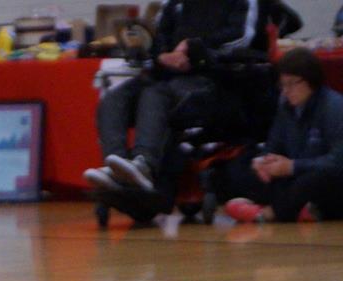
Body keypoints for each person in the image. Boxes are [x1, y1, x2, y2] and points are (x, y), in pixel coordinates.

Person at [83, 0, 258, 194]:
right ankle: (117, 165)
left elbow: (241, 37)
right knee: (113, 98)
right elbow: (160, 35)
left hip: (211, 75)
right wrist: (161, 55)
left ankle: (145, 163)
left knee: (155, 94)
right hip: (168, 72)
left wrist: (194, 48)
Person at [216, 47, 343, 222]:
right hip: (291, 175)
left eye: (291, 83)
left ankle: (268, 213)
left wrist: (293, 166)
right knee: (242, 168)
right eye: (282, 84)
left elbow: (337, 161)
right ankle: (302, 210)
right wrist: (263, 162)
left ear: (311, 81)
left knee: (314, 181)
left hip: (320, 176)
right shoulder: (286, 106)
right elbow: (273, 144)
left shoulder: (334, 108)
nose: (285, 90)